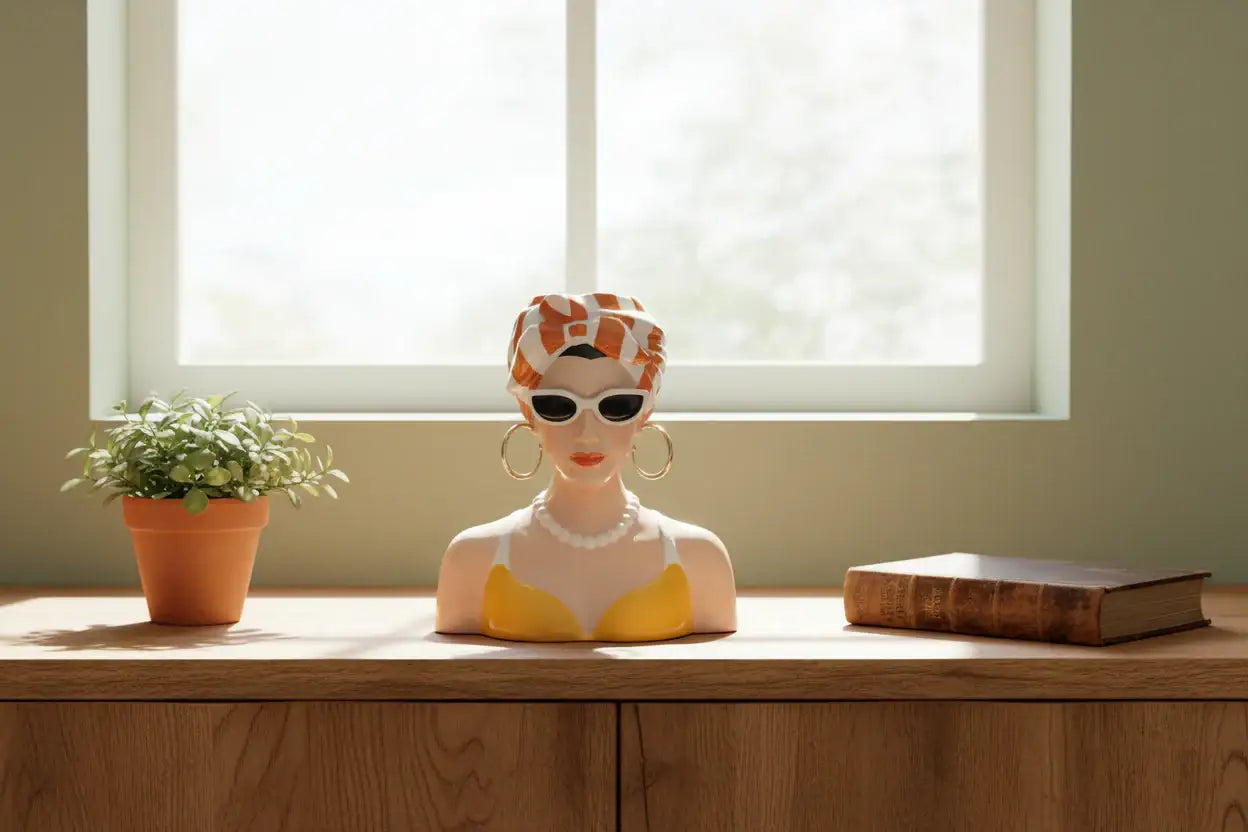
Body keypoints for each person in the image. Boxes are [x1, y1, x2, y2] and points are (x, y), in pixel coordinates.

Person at [435, 292, 737, 642]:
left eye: (617, 405)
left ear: (645, 413)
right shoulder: (471, 561)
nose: (587, 433)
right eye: (559, 405)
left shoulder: (702, 560)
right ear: (528, 413)